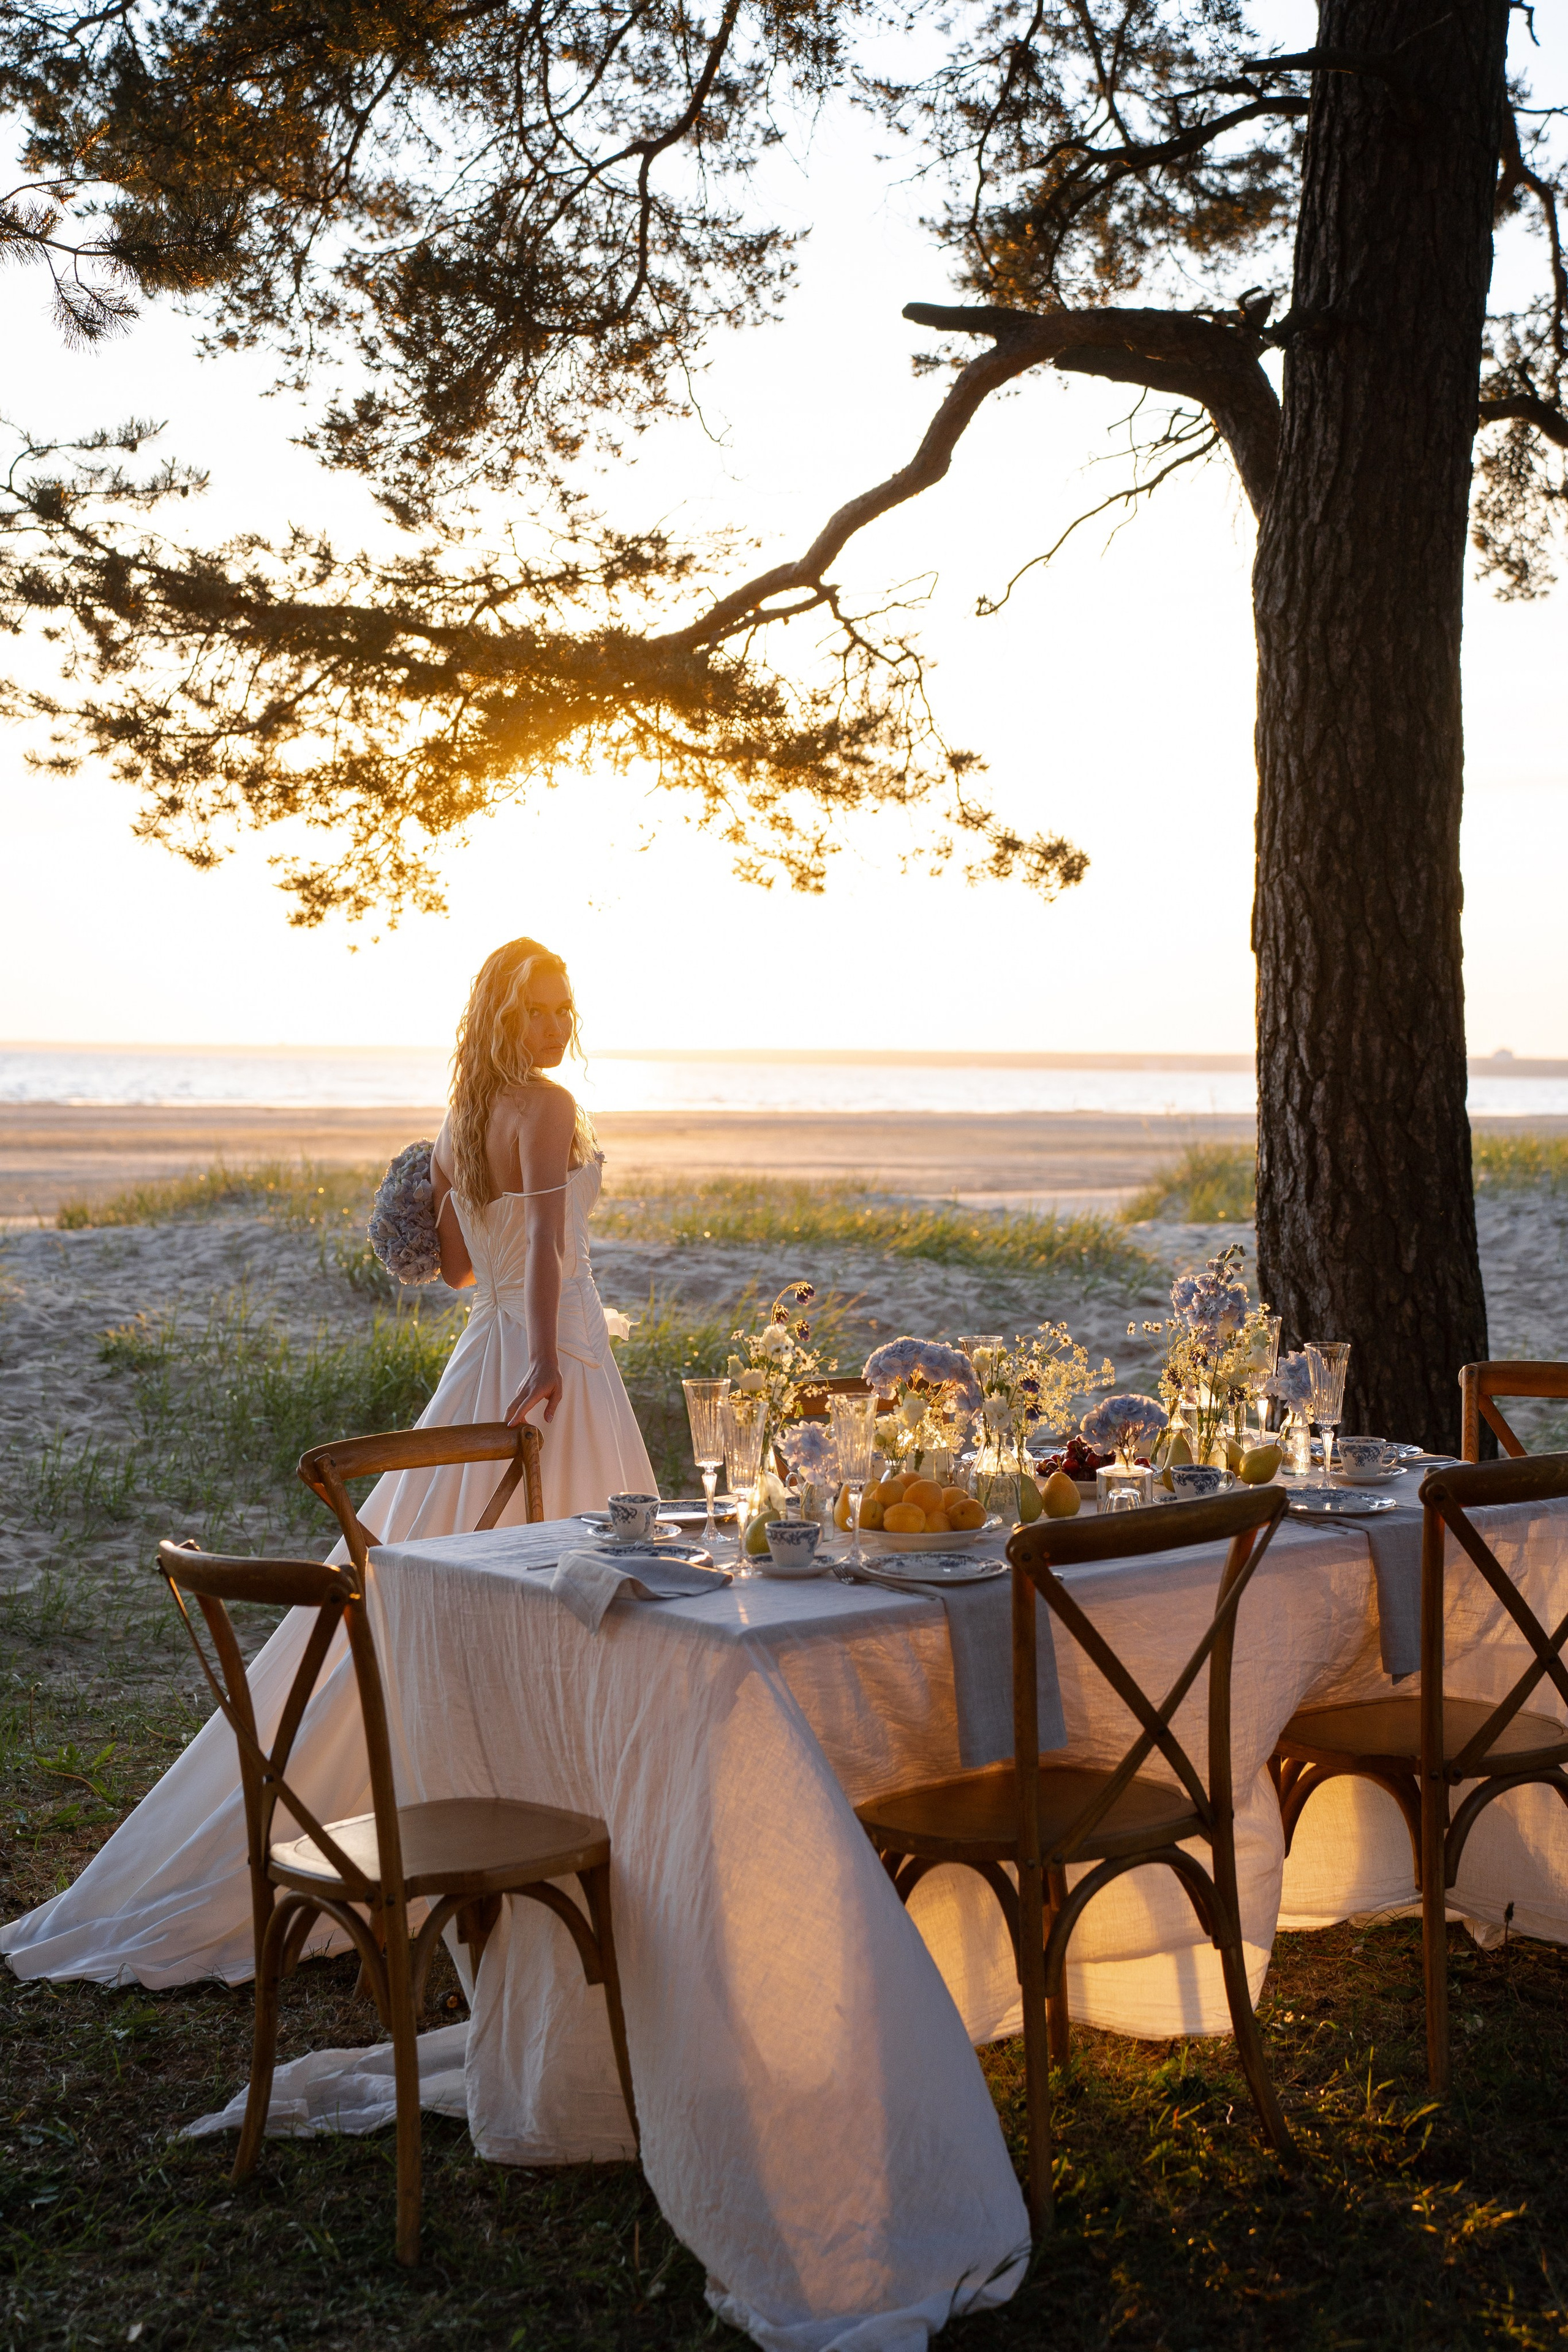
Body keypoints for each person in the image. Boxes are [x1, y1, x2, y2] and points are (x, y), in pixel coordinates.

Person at [1, 937, 657, 1989]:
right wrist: (544, 1360)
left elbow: (452, 1270)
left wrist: (469, 1231)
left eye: (564, 1007)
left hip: (481, 1358)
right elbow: (545, 1256)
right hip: (548, 1358)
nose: (555, 1026)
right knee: (568, 1585)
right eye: (537, 1009)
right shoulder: (543, 1105)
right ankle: (555, 1813)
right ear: (501, 1017)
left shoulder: (457, 1121)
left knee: (417, 1584)